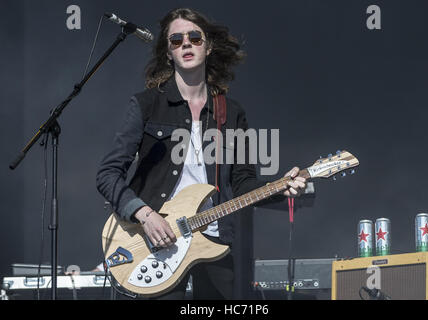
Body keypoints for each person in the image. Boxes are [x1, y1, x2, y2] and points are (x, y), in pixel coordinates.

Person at [96, 7, 306, 300]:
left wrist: (281, 187)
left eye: (195, 38)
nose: (186, 44)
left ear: (208, 47)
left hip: (213, 242)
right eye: (176, 40)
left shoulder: (230, 113)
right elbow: (107, 175)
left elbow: (243, 183)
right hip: (155, 241)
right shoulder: (146, 105)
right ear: (168, 53)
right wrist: (145, 215)